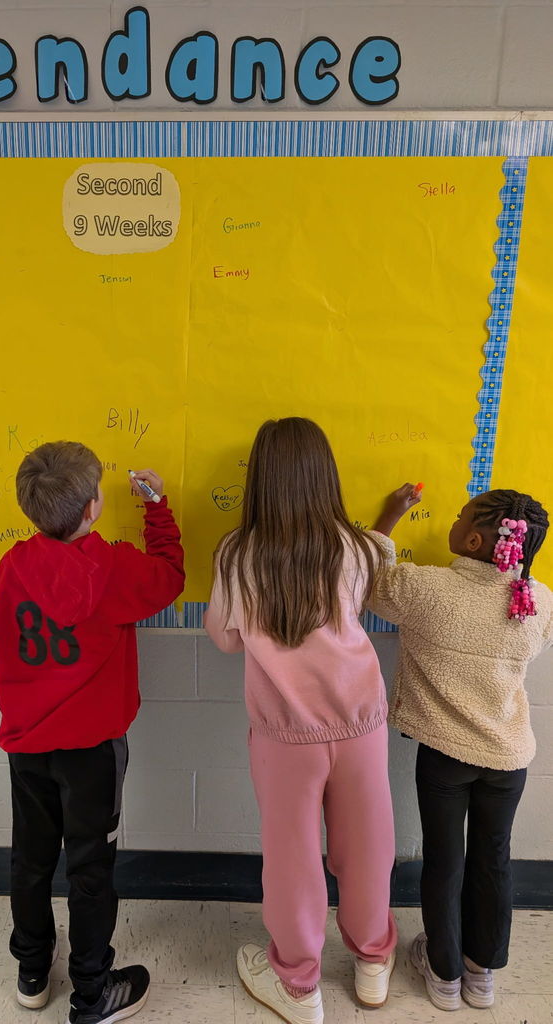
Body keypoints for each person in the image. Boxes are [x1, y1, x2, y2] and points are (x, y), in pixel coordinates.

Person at [204, 417, 398, 1024]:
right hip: (361, 725)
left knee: (290, 857)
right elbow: (371, 575)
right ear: (326, 476)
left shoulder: (238, 555)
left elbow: (226, 640)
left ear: (260, 479)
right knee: (368, 847)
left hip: (286, 735)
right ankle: (371, 963)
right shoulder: (355, 546)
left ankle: (297, 984)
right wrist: (389, 518)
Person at [0, 441, 184, 1024]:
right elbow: (170, 577)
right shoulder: (115, 567)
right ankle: (92, 992)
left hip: (27, 745)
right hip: (93, 752)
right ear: (95, 505)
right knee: (91, 868)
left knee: (30, 858)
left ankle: (31, 972)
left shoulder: (12, 566)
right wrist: (158, 509)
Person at [368, 484, 552, 1011]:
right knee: (494, 859)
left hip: (446, 756)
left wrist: (387, 517)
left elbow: (373, 585)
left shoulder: (428, 589)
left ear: (471, 539)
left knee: (445, 860)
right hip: (508, 757)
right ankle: (481, 972)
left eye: (459, 516)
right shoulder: (536, 601)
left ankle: (444, 973)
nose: (450, 519)